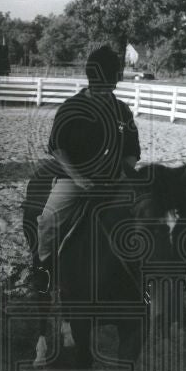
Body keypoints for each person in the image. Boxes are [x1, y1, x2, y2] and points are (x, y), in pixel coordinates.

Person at [32, 45, 141, 293]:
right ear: (91, 79)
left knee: (148, 219)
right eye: (100, 85)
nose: (105, 91)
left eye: (109, 85)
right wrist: (79, 178)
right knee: (48, 221)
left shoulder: (122, 111)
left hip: (115, 183)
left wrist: (125, 174)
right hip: (74, 181)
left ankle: (142, 277)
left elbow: (132, 151)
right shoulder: (71, 108)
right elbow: (57, 148)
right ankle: (44, 270)